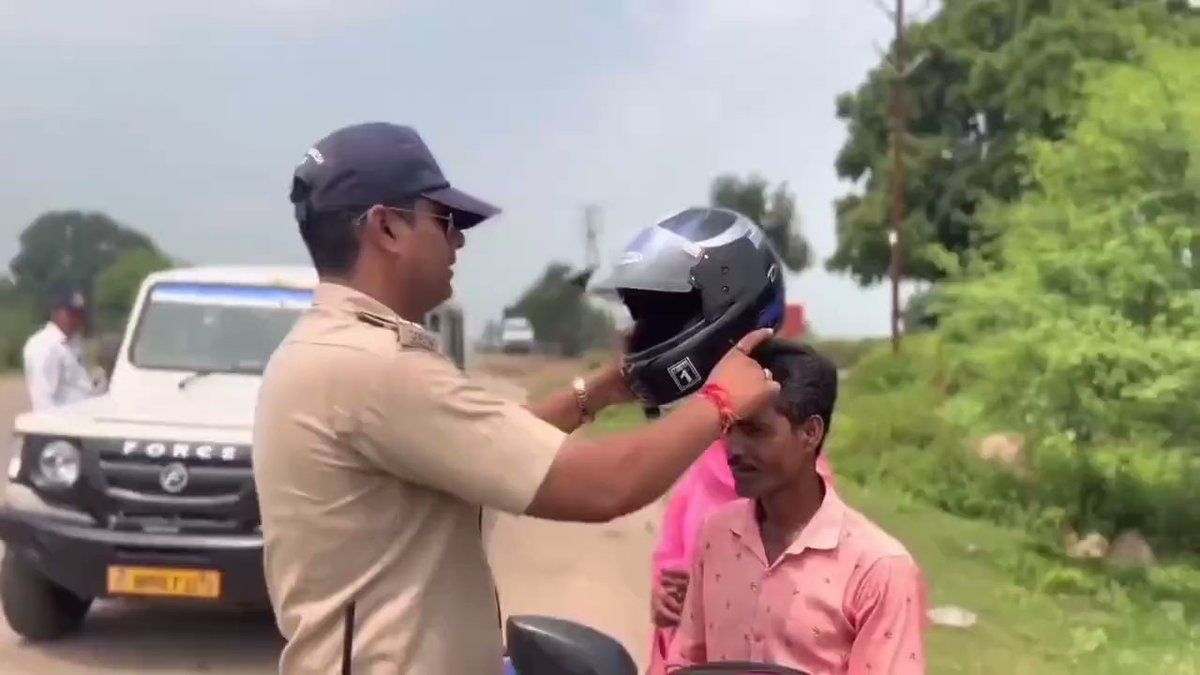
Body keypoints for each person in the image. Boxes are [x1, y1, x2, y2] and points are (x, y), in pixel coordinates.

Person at [252, 121, 780, 675]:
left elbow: (490, 445)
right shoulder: (372, 367)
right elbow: (603, 487)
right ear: (386, 228)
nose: (458, 240)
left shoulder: (335, 348)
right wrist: (721, 398)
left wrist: (605, 389)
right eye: (446, 221)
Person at [664, 340, 927, 675]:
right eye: (728, 428)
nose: (733, 448)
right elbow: (685, 662)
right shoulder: (717, 533)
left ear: (810, 433)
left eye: (755, 431)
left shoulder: (879, 568)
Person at [647, 441, 837, 672]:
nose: (738, 440)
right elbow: (671, 557)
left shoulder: (808, 496)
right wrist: (664, 599)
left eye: (757, 430)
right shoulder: (706, 470)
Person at [22, 291, 100, 412]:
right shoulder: (45, 345)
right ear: (55, 314)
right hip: (64, 423)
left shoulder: (74, 343)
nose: (76, 319)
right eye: (70, 314)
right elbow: (42, 396)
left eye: (79, 315)